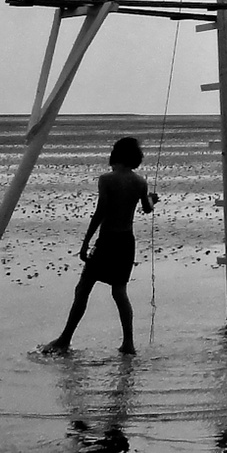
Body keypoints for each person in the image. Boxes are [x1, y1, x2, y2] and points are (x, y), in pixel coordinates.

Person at [42, 137, 159, 355]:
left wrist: (86, 241)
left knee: (83, 288)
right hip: (126, 242)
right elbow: (146, 209)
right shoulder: (140, 182)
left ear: (116, 155)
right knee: (119, 292)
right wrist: (153, 200)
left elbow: (100, 212)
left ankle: (65, 339)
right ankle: (128, 343)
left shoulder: (106, 180)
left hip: (107, 240)